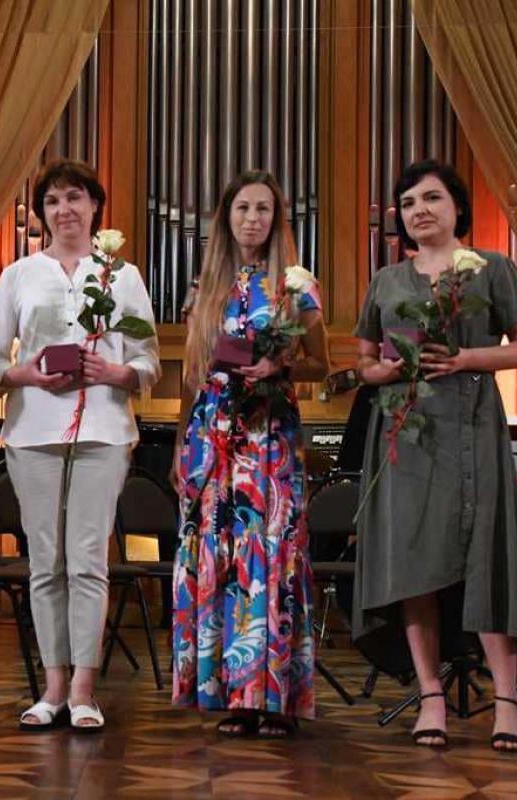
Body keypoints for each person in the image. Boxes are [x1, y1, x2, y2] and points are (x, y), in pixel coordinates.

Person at [351, 159, 517, 752]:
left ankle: (507, 700)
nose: (419, 211)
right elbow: (364, 362)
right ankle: (430, 694)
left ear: (458, 206)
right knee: (413, 561)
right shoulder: (386, 280)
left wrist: (464, 360)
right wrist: (383, 371)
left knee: (486, 554)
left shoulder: (493, 268)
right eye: (408, 203)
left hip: (473, 425)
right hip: (406, 433)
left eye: (431, 198)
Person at [0, 159, 160, 732]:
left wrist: (114, 371)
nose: (64, 210)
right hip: (33, 431)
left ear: (95, 206)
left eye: (75, 197)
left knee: (87, 560)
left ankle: (84, 688)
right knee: (45, 561)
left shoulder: (122, 276)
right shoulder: (18, 275)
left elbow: (148, 360)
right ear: (41, 213)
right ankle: (52, 687)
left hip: (103, 429)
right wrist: (24, 374)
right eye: (52, 201)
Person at [172, 171, 329, 738]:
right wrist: (181, 444)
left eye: (263, 209)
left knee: (270, 559)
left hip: (270, 440)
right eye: (243, 208)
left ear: (277, 219)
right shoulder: (205, 287)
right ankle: (232, 697)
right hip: (213, 439)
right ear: (227, 217)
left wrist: (278, 365)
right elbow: (192, 374)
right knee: (221, 558)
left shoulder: (296, 287)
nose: (252, 218)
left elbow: (321, 366)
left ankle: (276, 699)